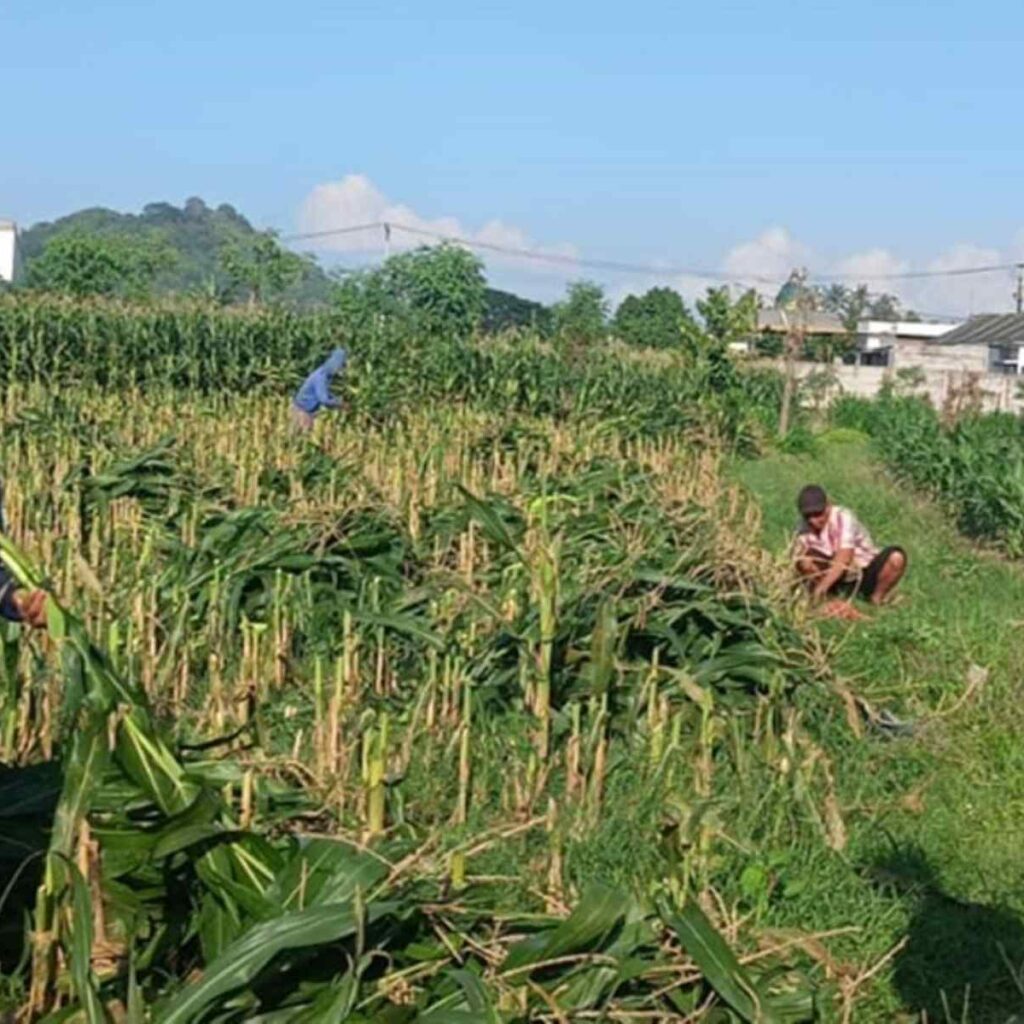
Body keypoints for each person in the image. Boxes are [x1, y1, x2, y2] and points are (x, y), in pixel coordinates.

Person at [793, 484, 906, 609]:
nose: (813, 520)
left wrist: (821, 588)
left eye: (818, 514)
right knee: (804, 560)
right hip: (833, 573)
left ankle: (876, 599)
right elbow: (800, 557)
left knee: (896, 558)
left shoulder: (843, 517)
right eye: (808, 516)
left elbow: (844, 558)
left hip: (863, 569)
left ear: (828, 505)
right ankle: (830, 597)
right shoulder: (801, 528)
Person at [291, 348, 348, 431]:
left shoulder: (325, 375)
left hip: (307, 411)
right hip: (302, 412)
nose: (340, 370)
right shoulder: (321, 377)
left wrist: (336, 399)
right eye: (340, 366)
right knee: (300, 437)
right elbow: (323, 399)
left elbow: (325, 393)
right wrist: (339, 404)